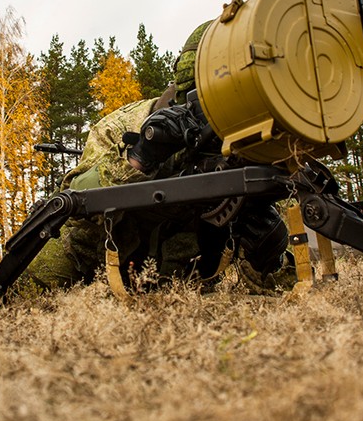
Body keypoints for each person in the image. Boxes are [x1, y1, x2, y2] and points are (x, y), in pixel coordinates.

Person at [22, 22, 295, 295]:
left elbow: (276, 289)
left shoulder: (248, 147)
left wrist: (270, 256)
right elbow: (74, 197)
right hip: (101, 268)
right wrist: (141, 157)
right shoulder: (123, 125)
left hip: (185, 287)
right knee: (30, 287)